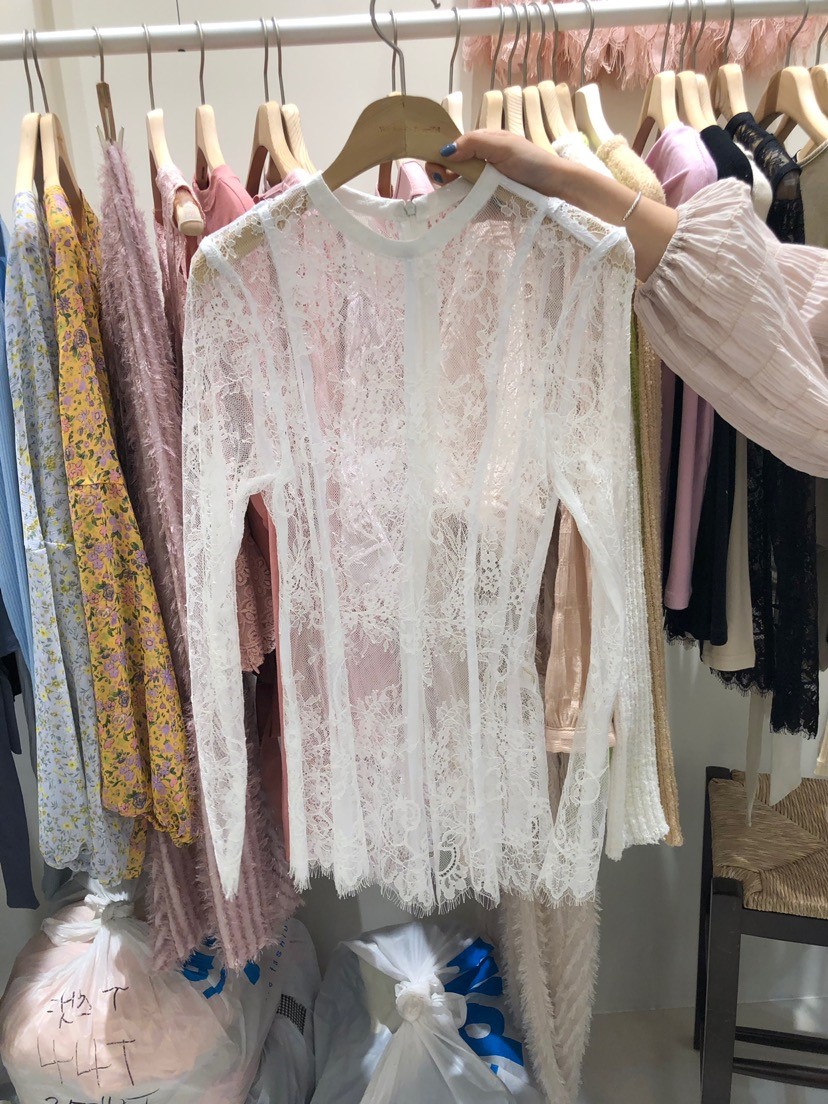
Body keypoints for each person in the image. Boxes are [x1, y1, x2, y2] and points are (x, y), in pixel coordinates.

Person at [431, 131, 828, 479]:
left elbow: (772, 330)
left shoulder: (697, 167)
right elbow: (781, 298)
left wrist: (561, 182)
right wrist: (557, 183)